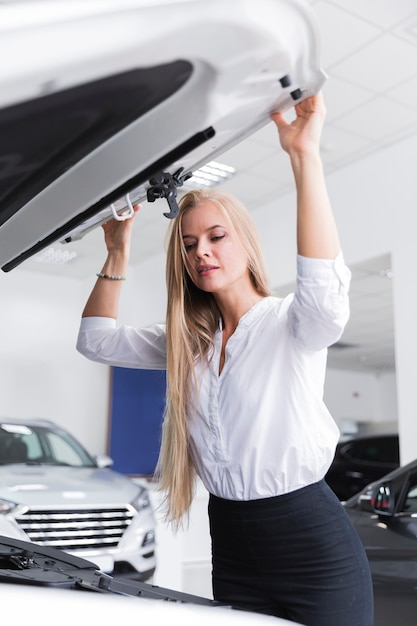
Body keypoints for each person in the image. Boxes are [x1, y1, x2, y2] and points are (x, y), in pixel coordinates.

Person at [76, 93, 374, 625]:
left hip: (308, 537)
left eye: (216, 237)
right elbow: (96, 340)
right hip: (232, 538)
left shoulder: (291, 324)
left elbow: (325, 290)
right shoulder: (187, 341)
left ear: (247, 246)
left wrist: (305, 158)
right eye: (188, 245)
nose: (201, 253)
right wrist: (117, 252)